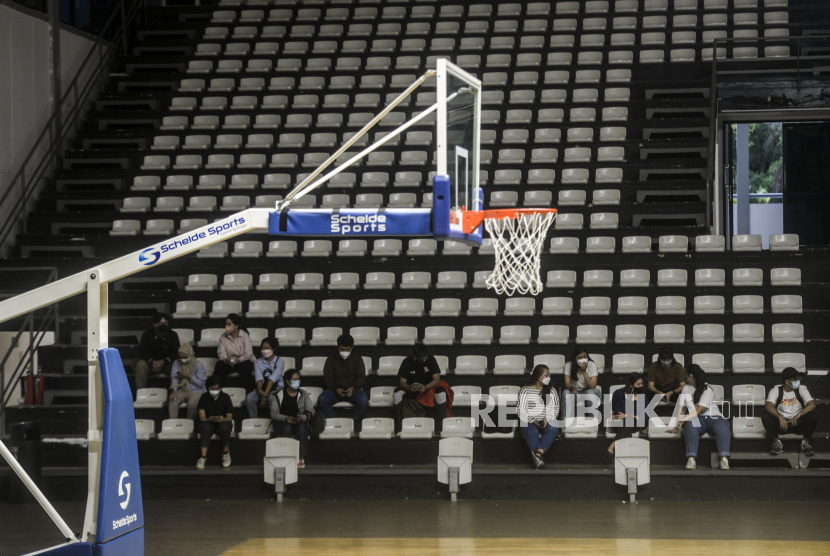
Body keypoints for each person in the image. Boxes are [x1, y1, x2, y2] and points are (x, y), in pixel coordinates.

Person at [670, 364, 730, 470]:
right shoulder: (686, 389)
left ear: (691, 376)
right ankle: (691, 459)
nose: (684, 376)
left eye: (686, 374)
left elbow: (700, 410)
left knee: (722, 426)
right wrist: (677, 425)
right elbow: (683, 409)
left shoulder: (708, 388)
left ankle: (724, 459)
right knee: (690, 426)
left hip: (713, 417)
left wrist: (684, 419)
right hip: (697, 419)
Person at [394, 345, 452, 432]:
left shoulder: (431, 359)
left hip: (428, 389)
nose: (424, 360)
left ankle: (440, 427)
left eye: (426, 357)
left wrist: (426, 387)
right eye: (421, 359)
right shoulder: (407, 361)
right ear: (414, 356)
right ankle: (399, 428)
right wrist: (409, 387)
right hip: (412, 390)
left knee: (441, 393)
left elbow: (437, 380)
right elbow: (402, 382)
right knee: (397, 394)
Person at [762, 367, 818, 457]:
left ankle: (805, 443)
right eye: (795, 379)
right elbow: (768, 406)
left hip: (797, 423)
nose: (798, 381)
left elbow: (812, 405)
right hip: (783, 425)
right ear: (787, 382)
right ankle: (776, 443)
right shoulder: (776, 390)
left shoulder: (802, 389)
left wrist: (799, 415)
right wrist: (780, 417)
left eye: (798, 378)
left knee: (813, 415)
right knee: (766, 415)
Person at [517, 364, 560, 469]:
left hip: (546, 420)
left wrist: (547, 419)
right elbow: (520, 410)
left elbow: (555, 409)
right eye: (546, 375)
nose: (548, 378)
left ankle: (538, 453)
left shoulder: (551, 390)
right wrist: (533, 420)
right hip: (530, 421)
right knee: (529, 429)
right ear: (538, 376)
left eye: (549, 375)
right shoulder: (525, 390)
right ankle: (538, 458)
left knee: (554, 427)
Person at [318, 334, 368, 422]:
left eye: (348, 350)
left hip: (353, 391)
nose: (345, 352)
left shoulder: (357, 359)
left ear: (352, 348)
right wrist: (336, 389)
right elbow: (328, 378)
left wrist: (352, 388)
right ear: (338, 347)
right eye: (342, 349)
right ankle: (334, 421)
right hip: (335, 391)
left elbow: (361, 377)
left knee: (363, 400)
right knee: (322, 399)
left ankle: (350, 422)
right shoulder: (330, 359)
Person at [271, 368, 314, 468]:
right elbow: (273, 413)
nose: (297, 382)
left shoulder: (303, 394)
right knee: (287, 428)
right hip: (282, 422)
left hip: (299, 421)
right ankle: (286, 456)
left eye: (298, 379)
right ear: (287, 381)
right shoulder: (278, 395)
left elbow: (311, 411)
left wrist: (301, 417)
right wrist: (285, 418)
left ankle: (301, 457)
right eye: (294, 379)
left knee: (302, 427)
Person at [134, 313, 180, 391]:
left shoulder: (172, 335)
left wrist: (163, 362)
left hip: (167, 364)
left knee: (177, 364)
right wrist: (152, 362)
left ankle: (176, 392)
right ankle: (140, 394)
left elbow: (175, 353)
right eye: (160, 323)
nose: (163, 325)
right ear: (154, 324)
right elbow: (143, 352)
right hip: (151, 364)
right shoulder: (147, 334)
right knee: (140, 365)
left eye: (165, 323)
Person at [196, 376, 233, 470]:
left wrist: (223, 419)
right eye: (212, 389)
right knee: (205, 428)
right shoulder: (204, 397)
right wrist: (209, 419)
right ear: (208, 388)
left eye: (216, 389)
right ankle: (203, 457)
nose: (214, 391)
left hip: (222, 422)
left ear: (220, 388)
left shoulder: (225, 397)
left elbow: (229, 416)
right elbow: (202, 417)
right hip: (208, 422)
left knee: (225, 428)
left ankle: (225, 453)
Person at [213, 313, 256, 392]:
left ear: (236, 326)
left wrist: (239, 360)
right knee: (219, 365)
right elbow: (221, 353)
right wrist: (226, 359)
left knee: (245, 367)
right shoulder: (223, 337)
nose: (226, 326)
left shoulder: (245, 335)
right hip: (230, 362)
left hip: (243, 361)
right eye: (226, 324)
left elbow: (248, 354)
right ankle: (218, 391)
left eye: (229, 324)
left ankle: (248, 393)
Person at [245, 338, 285, 419]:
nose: (265, 350)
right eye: (263, 348)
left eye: (267, 348)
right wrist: (260, 391)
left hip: (276, 387)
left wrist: (265, 395)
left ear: (273, 349)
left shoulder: (280, 361)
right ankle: (253, 421)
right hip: (262, 387)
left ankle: (272, 421)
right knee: (249, 398)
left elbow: (273, 379)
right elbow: (258, 377)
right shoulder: (257, 362)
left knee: (271, 398)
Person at [607, 372, 645, 457]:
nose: (641, 386)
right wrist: (611, 414)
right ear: (631, 385)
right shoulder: (618, 393)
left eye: (642, 384)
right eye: (638, 384)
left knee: (629, 420)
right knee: (627, 425)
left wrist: (626, 416)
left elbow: (643, 416)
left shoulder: (642, 395)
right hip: (618, 423)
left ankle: (613, 446)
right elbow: (610, 407)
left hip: (635, 424)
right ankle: (626, 455)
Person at [167, 344, 207, 420]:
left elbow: (201, 384)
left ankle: (189, 425)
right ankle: (172, 424)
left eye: (185, 357)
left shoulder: (198, 365)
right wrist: (174, 390)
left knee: (193, 404)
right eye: (180, 357)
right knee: (172, 400)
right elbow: (174, 377)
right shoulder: (176, 363)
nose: (182, 359)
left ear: (190, 355)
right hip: (181, 389)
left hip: (195, 390)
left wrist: (189, 376)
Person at [561, 346, 601, 420]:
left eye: (585, 357)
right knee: (565, 393)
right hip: (576, 392)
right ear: (575, 359)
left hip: (591, 391)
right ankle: (565, 422)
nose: (583, 359)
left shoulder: (592, 365)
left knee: (590, 394)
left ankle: (594, 422)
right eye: (580, 357)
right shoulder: (569, 365)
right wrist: (572, 388)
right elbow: (567, 384)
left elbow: (592, 386)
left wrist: (584, 372)